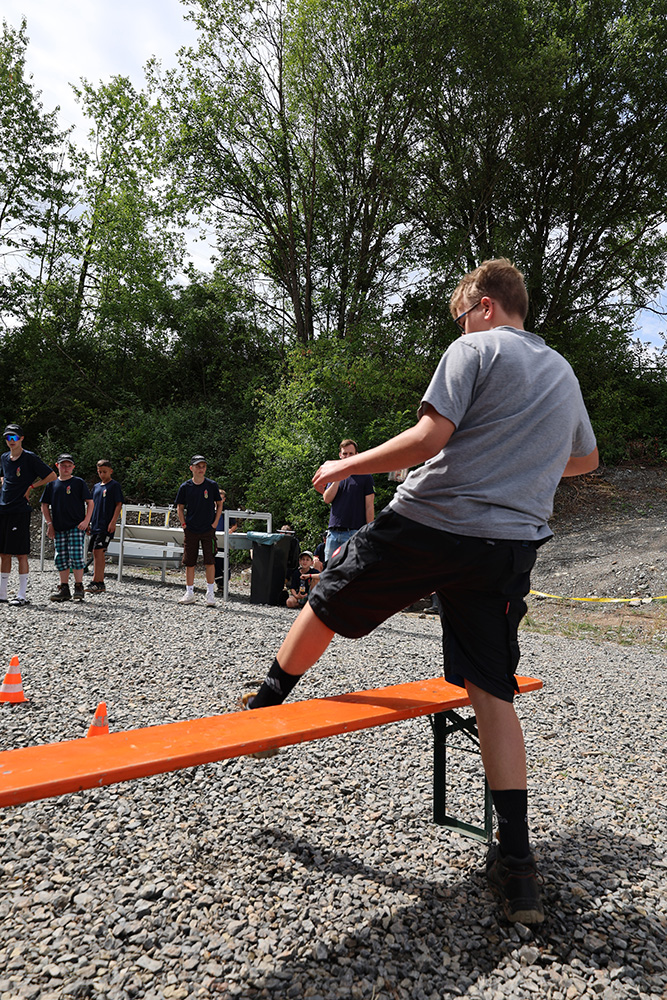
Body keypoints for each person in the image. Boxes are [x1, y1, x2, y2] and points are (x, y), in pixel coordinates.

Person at [241, 259, 598, 926]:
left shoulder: (475, 348)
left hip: (432, 521)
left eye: (461, 315)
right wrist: (521, 464)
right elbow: (584, 459)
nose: (459, 327)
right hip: (506, 545)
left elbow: (429, 438)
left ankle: (262, 710)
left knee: (328, 596)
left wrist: (345, 463)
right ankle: (517, 866)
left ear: (485, 305)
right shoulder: (560, 371)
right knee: (491, 689)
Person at [0, 423, 57, 607]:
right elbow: (3, 475)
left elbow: (51, 476)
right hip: (3, 509)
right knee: (3, 553)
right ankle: (2, 593)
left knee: (21, 553)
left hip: (19, 510)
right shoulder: (4, 458)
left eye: (14, 437)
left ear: (21, 438)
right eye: (8, 437)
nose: (11, 441)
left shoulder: (29, 458)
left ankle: (22, 595)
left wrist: (31, 487)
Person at [40, 454, 94, 603]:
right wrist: (49, 524)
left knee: (76, 556)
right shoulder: (52, 485)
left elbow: (90, 502)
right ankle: (64, 588)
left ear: (73, 467)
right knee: (61, 557)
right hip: (59, 527)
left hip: (76, 525)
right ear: (57, 466)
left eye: (69, 466)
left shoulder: (78, 482)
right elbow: (44, 505)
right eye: (63, 465)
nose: (66, 468)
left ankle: (79, 586)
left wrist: (86, 521)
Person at [175, 455, 222, 606]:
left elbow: (219, 503)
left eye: (203, 466)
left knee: (210, 560)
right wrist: (183, 524)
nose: (201, 469)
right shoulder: (185, 487)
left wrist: (215, 523)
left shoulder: (211, 485)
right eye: (198, 466)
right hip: (191, 529)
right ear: (191, 468)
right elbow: (180, 507)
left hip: (208, 528)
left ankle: (210, 594)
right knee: (190, 561)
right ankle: (189, 593)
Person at [323, 439, 374, 563]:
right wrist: (338, 477)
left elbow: (369, 506)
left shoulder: (366, 476)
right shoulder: (333, 475)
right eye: (345, 453)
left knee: (352, 570)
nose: (347, 456)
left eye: (351, 454)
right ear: (340, 455)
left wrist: (369, 532)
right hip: (333, 533)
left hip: (355, 532)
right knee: (329, 570)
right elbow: (327, 499)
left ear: (357, 455)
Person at [86, 459, 124, 594]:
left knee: (99, 551)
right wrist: (88, 521)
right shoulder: (96, 487)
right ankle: (97, 581)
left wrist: (113, 521)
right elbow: (91, 505)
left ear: (110, 471)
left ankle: (98, 581)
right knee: (95, 551)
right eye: (100, 472)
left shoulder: (114, 486)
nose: (102, 474)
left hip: (106, 525)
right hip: (95, 524)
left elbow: (118, 504)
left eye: (104, 472)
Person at [213, 488, 237, 592]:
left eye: (221, 498)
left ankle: (224, 583)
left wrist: (230, 530)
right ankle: (218, 583)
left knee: (223, 561)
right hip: (212, 538)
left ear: (224, 499)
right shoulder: (210, 509)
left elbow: (234, 525)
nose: (219, 501)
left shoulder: (227, 510)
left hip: (223, 539)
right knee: (213, 561)